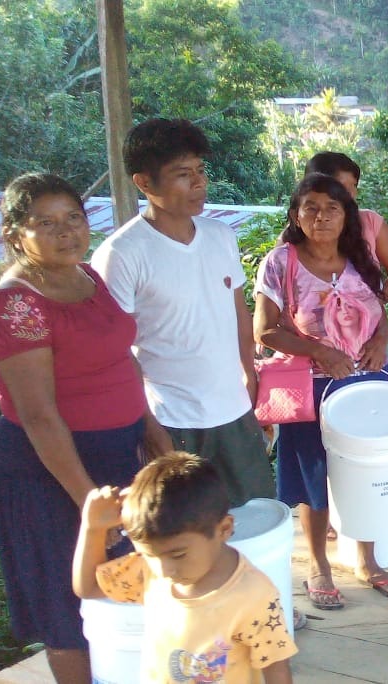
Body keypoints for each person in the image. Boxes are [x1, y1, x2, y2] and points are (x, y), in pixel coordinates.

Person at [0, 174, 150, 684]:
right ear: (15, 233)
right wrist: (90, 504)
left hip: (118, 457)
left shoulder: (87, 274)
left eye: (73, 218)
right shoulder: (16, 303)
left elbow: (120, 361)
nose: (66, 232)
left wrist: (156, 439)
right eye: (46, 223)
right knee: (67, 605)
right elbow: (39, 415)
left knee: (123, 586)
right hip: (54, 472)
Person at [91, 118, 274, 507]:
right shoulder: (121, 254)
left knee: (255, 521)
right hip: (173, 420)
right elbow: (115, 353)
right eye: (182, 174)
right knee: (186, 530)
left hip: (235, 410)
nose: (199, 183)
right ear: (144, 183)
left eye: (201, 170)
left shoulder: (220, 236)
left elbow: (239, 315)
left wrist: (250, 377)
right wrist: (149, 425)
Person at [254, 173, 388, 607]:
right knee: (313, 479)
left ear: (347, 216)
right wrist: (319, 353)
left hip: (365, 383)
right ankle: (319, 565)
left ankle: (367, 560)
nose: (321, 216)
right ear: (296, 214)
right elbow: (264, 330)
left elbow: (376, 310)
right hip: (312, 386)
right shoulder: (280, 262)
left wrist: (379, 342)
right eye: (311, 207)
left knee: (367, 476)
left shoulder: (359, 258)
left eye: (332, 208)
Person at [73, 454, 295, 683]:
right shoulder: (149, 571)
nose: (164, 570)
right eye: (149, 554)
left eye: (178, 554)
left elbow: (275, 667)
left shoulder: (253, 595)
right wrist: (92, 528)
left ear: (224, 529)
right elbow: (88, 587)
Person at [304, 151, 388, 301]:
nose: (351, 193)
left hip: (367, 324)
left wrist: (372, 305)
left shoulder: (370, 222)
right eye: (341, 186)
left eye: (353, 185)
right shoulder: (297, 231)